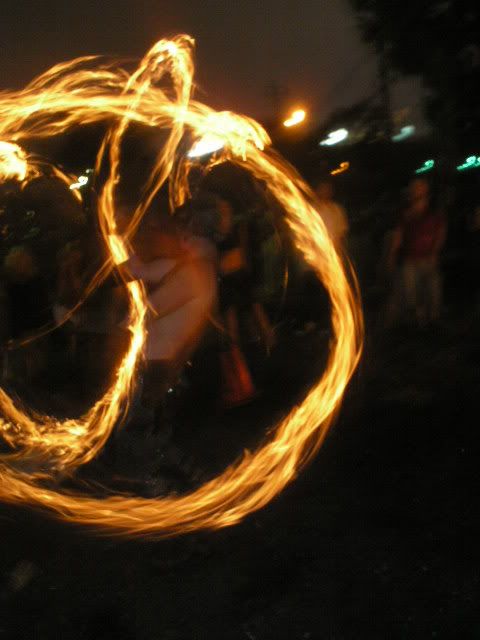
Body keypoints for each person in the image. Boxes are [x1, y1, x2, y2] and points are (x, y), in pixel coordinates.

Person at [386, 178, 447, 326]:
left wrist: (434, 252)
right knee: (411, 293)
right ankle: (418, 322)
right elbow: (399, 234)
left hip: (428, 259)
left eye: (419, 188)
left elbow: (441, 231)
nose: (416, 191)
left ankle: (432, 320)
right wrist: (392, 255)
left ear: (426, 191)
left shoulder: (434, 211)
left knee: (432, 291)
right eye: (414, 188)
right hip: (410, 260)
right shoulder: (406, 213)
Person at [315, 179, 349, 250]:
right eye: (323, 189)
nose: (326, 192)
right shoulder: (312, 209)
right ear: (317, 191)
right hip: (316, 248)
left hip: (334, 249)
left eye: (328, 189)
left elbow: (343, 229)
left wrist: (339, 245)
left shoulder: (337, 209)